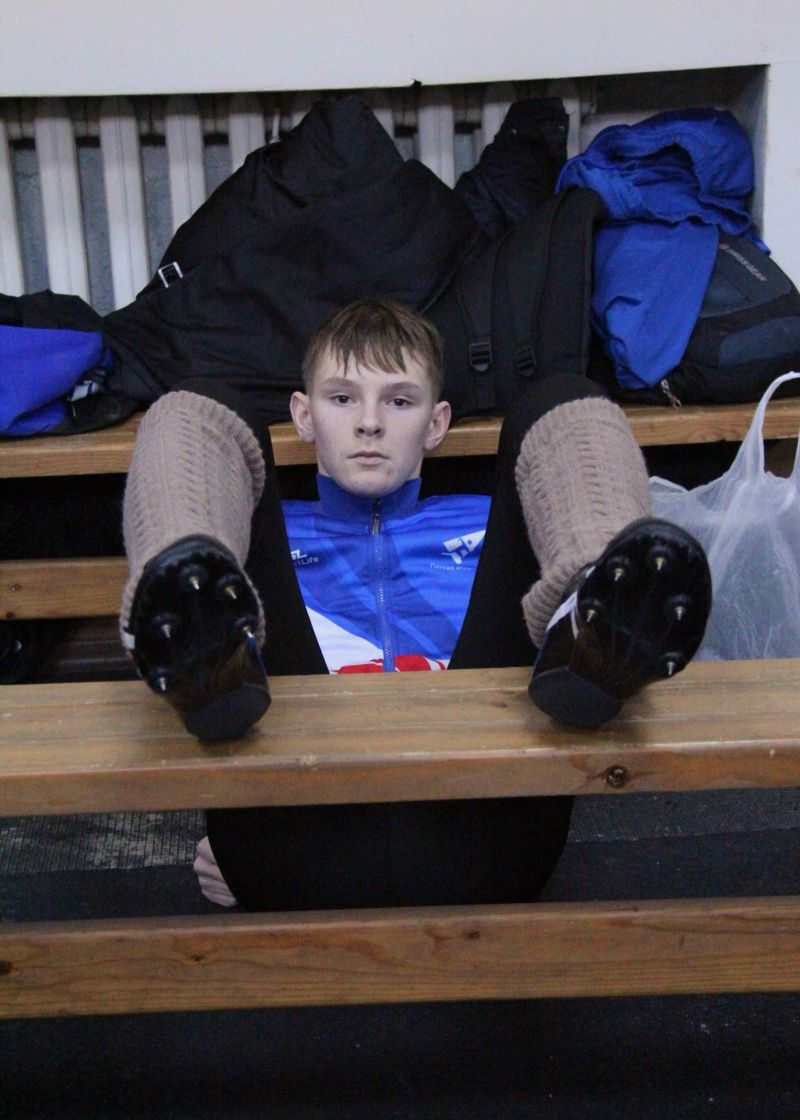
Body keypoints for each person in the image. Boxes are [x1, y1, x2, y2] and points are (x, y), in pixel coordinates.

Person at [120, 299, 711, 910]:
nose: (369, 423)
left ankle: (594, 614)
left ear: (436, 422)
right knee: (201, 403)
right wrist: (241, 842)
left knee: (560, 396)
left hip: (489, 829)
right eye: (342, 398)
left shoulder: (493, 526)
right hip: (291, 826)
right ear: (303, 414)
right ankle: (202, 649)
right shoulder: (248, 535)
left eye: (399, 401)